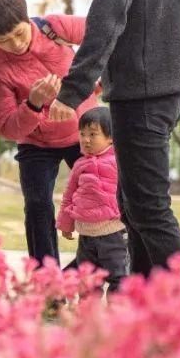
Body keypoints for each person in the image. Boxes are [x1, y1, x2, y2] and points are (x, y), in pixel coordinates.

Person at [49, 0, 180, 285]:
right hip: (167, 84)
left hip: (143, 92)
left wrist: (72, 91)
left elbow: (107, 18)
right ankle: (144, 304)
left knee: (148, 208)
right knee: (133, 205)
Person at [0, 0, 100, 266]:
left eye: (20, 33)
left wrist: (101, 79)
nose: (16, 45)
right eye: (4, 41)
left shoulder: (55, 27)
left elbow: (105, 34)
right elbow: (7, 127)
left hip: (85, 133)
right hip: (37, 144)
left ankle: (92, 267)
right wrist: (33, 104)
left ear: (28, 19)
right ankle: (47, 284)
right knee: (37, 206)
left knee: (102, 200)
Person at [57, 107, 128, 292]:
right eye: (82, 134)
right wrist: (65, 223)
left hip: (113, 233)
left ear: (110, 137)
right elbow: (69, 195)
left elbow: (129, 192)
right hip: (86, 236)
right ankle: (88, 316)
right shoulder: (79, 165)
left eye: (93, 134)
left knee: (119, 277)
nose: (85, 139)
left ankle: (116, 314)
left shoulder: (120, 161)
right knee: (87, 281)